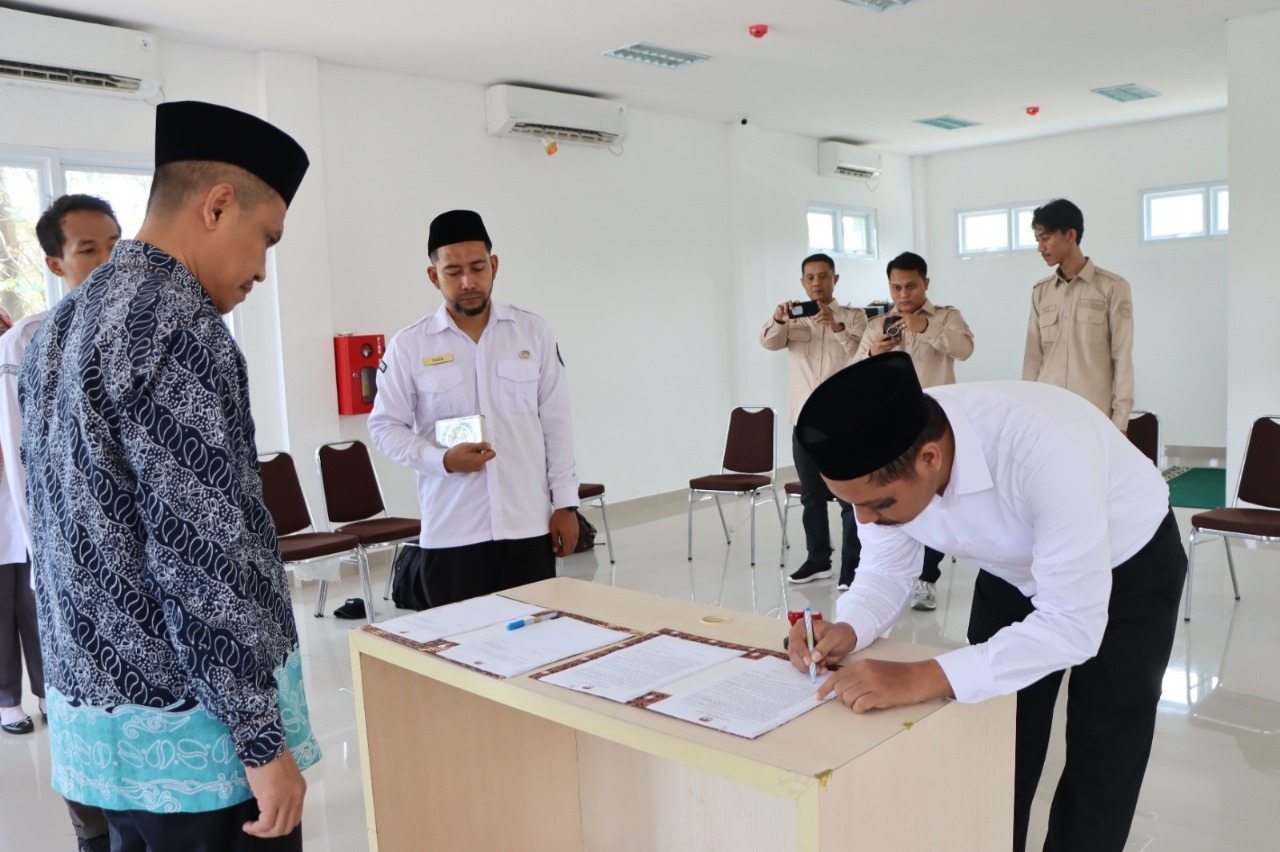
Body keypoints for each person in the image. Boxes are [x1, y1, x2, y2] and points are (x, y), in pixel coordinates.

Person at [20, 101, 321, 851]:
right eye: (265, 240)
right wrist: (261, 742)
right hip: (194, 744)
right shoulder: (181, 327)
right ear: (218, 205)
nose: (259, 269)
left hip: (101, 741)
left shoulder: (58, 326)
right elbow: (201, 558)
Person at [787, 353, 1185, 851]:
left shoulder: (1046, 445)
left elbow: (1071, 624)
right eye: (852, 504)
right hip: (1011, 568)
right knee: (997, 744)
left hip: (1129, 565)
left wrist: (923, 675)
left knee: (1103, 752)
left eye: (879, 504)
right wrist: (850, 628)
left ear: (930, 459)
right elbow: (887, 568)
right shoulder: (891, 462)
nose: (863, 521)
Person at [368, 209, 579, 608]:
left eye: (478, 267)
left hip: (527, 527)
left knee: (535, 650)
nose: (468, 282)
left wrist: (565, 504)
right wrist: (441, 459)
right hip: (453, 532)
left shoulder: (532, 332)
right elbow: (384, 427)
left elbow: (556, 422)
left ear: (494, 266)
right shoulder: (411, 346)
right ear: (434, 276)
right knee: (464, 656)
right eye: (453, 272)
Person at [0, 194, 121, 851]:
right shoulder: (27, 340)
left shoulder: (134, 328)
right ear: (54, 261)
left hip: (128, 569)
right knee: (77, 714)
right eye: (87, 250)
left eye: (113, 244)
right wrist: (47, 567)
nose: (106, 261)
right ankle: (93, 835)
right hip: (66, 569)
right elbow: (22, 464)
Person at [853, 251, 973, 611]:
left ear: (925, 284)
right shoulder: (878, 324)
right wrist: (874, 353)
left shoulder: (947, 317)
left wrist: (928, 329)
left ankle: (927, 579)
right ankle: (891, 575)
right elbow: (853, 372)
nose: (903, 295)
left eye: (910, 286)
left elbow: (965, 349)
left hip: (934, 425)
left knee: (934, 499)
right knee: (894, 497)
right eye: (895, 287)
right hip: (889, 424)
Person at [760, 252, 866, 588]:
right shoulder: (794, 318)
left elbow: (862, 356)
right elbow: (768, 343)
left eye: (823, 276)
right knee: (811, 496)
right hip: (804, 421)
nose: (816, 283)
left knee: (851, 497)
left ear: (836, 279)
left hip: (845, 424)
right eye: (810, 277)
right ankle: (818, 560)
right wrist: (779, 319)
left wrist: (836, 328)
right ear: (803, 282)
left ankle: (853, 565)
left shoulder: (855, 317)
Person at [1022, 198, 1134, 432]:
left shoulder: (1112, 287)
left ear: (1070, 235)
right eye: (1037, 240)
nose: (1040, 248)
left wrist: (1120, 421)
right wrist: (1028, 411)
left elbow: (1122, 357)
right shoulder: (1041, 292)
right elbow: (1033, 358)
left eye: (1046, 239)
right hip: (1048, 414)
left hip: (1093, 415)